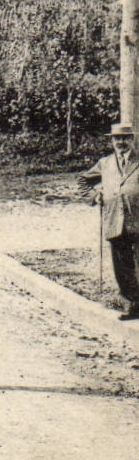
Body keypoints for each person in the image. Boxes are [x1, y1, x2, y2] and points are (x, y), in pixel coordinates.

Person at [81, 121, 139, 320]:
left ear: (132, 139)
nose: (121, 142)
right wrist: (95, 195)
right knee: (122, 266)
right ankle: (132, 305)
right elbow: (83, 180)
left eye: (125, 138)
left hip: (137, 219)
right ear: (112, 141)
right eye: (117, 139)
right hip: (115, 220)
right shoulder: (105, 163)